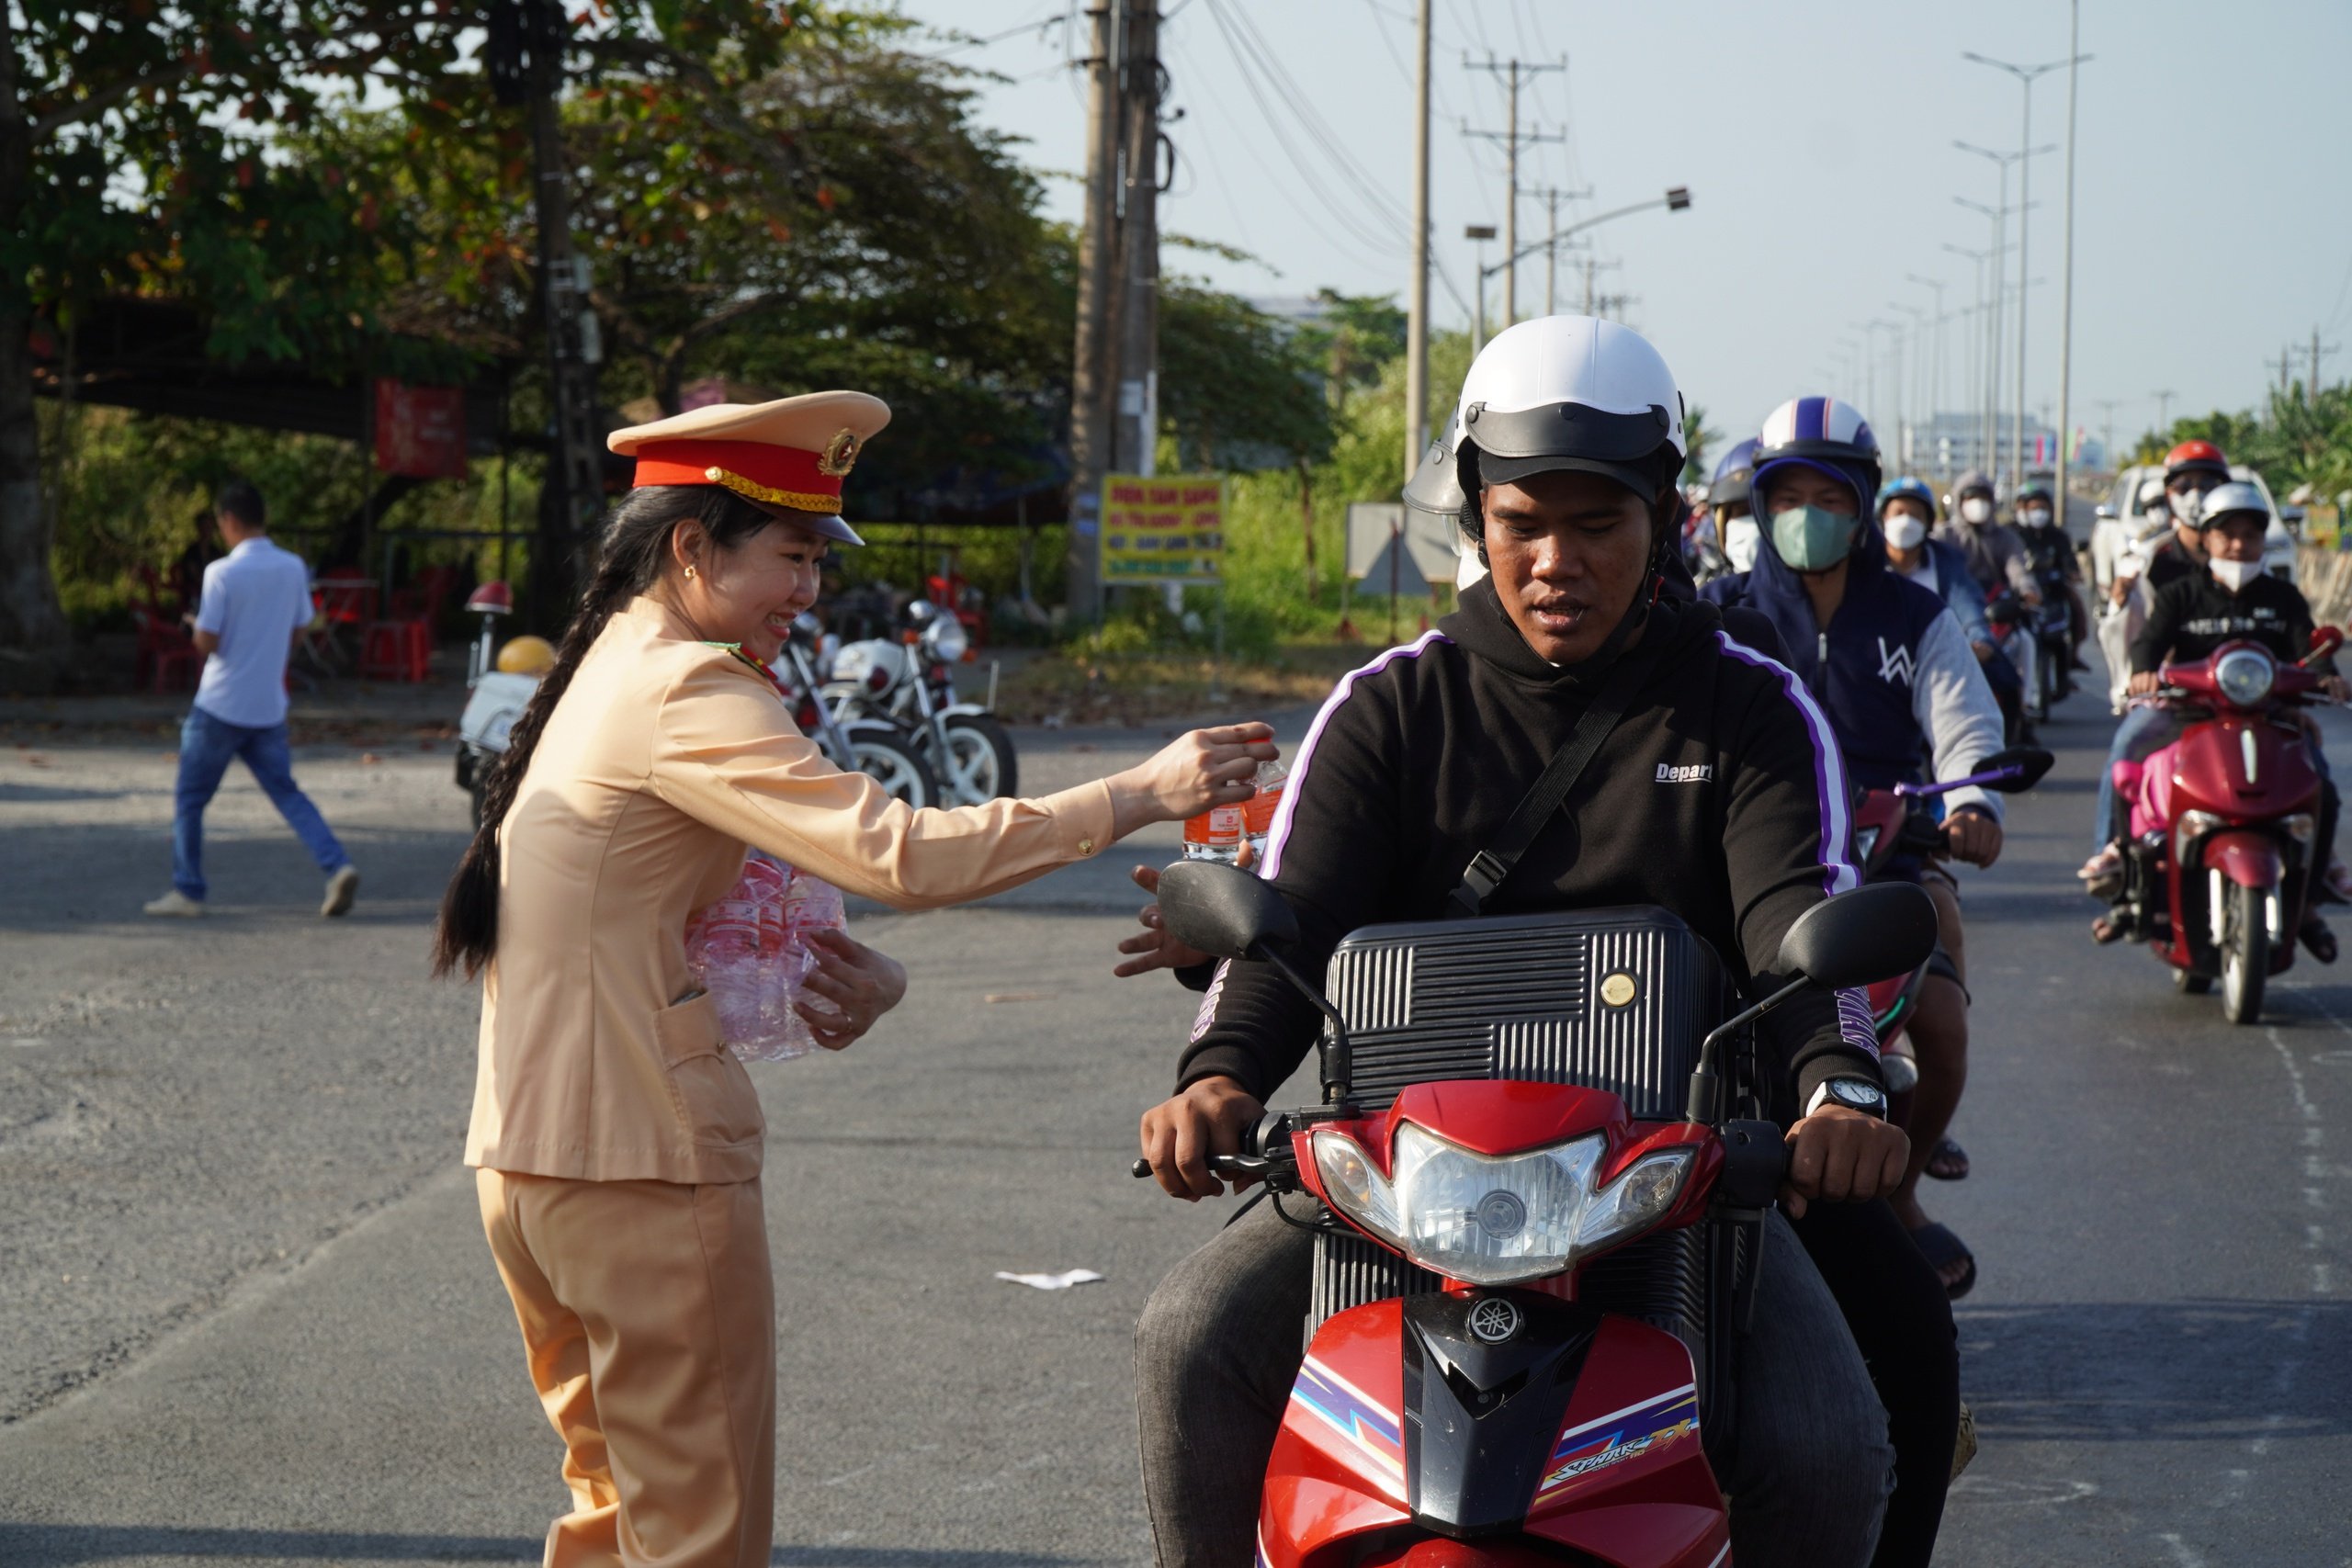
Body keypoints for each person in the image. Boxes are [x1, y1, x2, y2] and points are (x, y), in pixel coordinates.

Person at [1129, 320, 1951, 1568]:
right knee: (1187, 1334)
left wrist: (1835, 1090)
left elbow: (1797, 928)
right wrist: (1217, 1077)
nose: (1556, 559)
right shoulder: (1391, 705)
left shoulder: (1747, 706)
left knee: (1840, 1434)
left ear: (1664, 517)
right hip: (1398, 1186)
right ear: (1476, 514)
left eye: (1597, 523)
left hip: (1676, 1183)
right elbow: (1290, 916)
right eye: (1523, 521)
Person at [436, 391, 1278, 1568]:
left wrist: (852, 978)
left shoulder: (611, 666)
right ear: (692, 545)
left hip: (530, 1164)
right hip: (642, 1167)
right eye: (788, 556)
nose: (808, 592)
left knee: (614, 1516)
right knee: (698, 1541)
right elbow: (898, 851)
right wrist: (1134, 794)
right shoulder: (690, 687)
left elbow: (638, 912)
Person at [1702, 401, 2007, 1305]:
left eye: (1826, 495)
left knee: (1942, 1020)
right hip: (1741, 858)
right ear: (1756, 506)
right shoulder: (1717, 613)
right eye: (1784, 494)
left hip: (1885, 855)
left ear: (1865, 503)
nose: (1804, 513)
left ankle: (1899, 1191)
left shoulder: (1916, 616)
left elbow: (1964, 729)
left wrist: (1972, 802)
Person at [2082, 479, 2348, 948]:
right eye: (2227, 534)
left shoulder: (2283, 599)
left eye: (2250, 535)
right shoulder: (2179, 595)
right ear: (2206, 539)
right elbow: (2148, 645)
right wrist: (2143, 673)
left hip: (2272, 717)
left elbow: (2310, 652)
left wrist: (2326, 676)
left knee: (2321, 786)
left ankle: (2310, 896)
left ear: (2263, 541)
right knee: (2128, 748)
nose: (2239, 545)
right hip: (2189, 715)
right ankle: (2115, 857)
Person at [143, 481, 358, 919]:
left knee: (190, 799)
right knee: (287, 792)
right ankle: (336, 866)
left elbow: (208, 642)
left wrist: (191, 624)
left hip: (220, 705)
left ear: (229, 521)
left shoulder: (221, 572)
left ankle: (188, 890)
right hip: (268, 705)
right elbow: (302, 626)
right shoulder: (293, 566)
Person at [2014, 479, 2090, 671]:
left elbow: (2069, 560)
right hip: (2021, 590)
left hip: (2053, 587)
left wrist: (2072, 572)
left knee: (2076, 606)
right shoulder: (2012, 534)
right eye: (2033, 507)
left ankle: (2073, 656)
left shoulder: (2058, 535)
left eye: (2043, 507)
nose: (2038, 512)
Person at [1936, 470, 2036, 605]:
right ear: (1959, 502)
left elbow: (2017, 568)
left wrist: (2027, 589)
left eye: (1983, 498)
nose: (1978, 503)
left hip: (1997, 606)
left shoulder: (2006, 537)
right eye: (1971, 498)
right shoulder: (1944, 535)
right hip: (1952, 603)